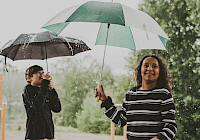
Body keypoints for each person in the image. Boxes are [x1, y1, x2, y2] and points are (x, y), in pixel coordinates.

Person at [95, 54, 177, 140]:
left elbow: (171, 126)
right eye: (146, 65)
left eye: (154, 66)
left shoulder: (163, 94)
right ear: (140, 70)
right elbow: (121, 120)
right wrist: (105, 100)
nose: (149, 69)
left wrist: (158, 139)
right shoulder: (131, 94)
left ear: (160, 72)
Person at [22, 65, 61, 140]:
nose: (42, 75)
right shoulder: (28, 89)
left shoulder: (45, 89)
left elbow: (57, 108)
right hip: (35, 134)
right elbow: (37, 105)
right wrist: (45, 84)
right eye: (38, 73)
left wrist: (52, 90)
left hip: (48, 134)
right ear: (29, 78)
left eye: (43, 73)